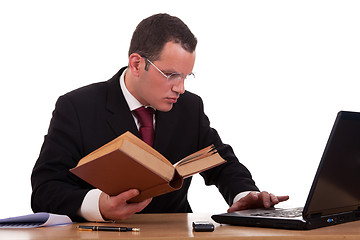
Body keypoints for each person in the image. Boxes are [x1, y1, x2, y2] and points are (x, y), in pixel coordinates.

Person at [31, 13, 289, 222]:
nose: (180, 88)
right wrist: (98, 205)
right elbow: (44, 190)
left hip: (173, 233)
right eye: (171, 75)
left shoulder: (189, 107)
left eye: (186, 76)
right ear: (136, 64)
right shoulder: (77, 107)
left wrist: (245, 195)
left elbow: (221, 162)